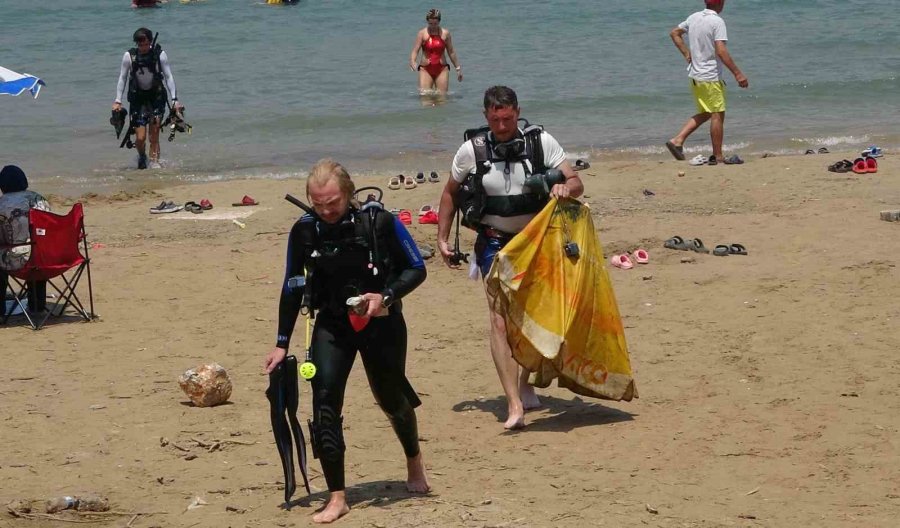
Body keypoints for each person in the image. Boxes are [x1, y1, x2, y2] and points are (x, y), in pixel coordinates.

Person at [265, 159, 430, 524]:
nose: (326, 211)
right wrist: (281, 343)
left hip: (382, 323)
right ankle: (338, 496)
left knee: (391, 398)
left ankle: (414, 459)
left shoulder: (379, 222)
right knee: (324, 402)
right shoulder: (305, 231)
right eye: (318, 203)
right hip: (332, 325)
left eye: (333, 203)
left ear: (349, 193)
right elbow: (292, 287)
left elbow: (417, 268)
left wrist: (384, 297)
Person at [436, 86, 584, 429]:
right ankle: (513, 404)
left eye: (508, 118)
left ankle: (524, 383)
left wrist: (565, 187)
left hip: (536, 240)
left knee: (532, 316)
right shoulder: (471, 150)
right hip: (493, 242)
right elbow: (449, 193)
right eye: (495, 119)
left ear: (517, 112)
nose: (502, 125)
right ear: (486, 116)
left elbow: (577, 182)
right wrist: (442, 239)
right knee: (500, 319)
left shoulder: (540, 142)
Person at [665, 0, 748, 165]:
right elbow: (721, 50)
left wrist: (687, 54)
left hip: (696, 76)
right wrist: (738, 73)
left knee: (708, 112)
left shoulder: (694, 17)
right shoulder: (717, 21)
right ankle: (718, 156)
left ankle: (677, 140)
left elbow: (674, 33)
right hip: (709, 76)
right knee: (717, 113)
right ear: (720, 3)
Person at [113, 27, 183, 170]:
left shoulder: (160, 55)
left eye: (145, 44)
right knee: (140, 138)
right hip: (138, 100)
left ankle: (154, 163)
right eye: (140, 45)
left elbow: (169, 77)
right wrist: (118, 101)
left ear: (150, 42)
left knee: (154, 134)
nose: (143, 47)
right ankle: (142, 156)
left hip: (156, 98)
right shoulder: (129, 56)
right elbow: (123, 78)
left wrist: (174, 100)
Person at [0, 165, 50, 314]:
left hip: (19, 260)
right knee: (36, 246)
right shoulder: (39, 199)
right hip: (46, 258)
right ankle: (37, 304)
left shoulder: (2, 204)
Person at [409, 9, 462, 95]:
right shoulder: (422, 34)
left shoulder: (445, 33)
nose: (433, 26)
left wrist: (458, 69)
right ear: (427, 21)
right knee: (425, 97)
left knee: (442, 99)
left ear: (439, 21)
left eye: (435, 24)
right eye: (430, 24)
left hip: (442, 69)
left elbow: (451, 52)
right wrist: (412, 61)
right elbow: (415, 51)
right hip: (425, 70)